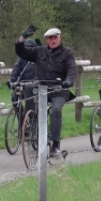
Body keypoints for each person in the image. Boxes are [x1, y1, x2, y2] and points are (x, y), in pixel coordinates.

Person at [15, 24, 77, 157]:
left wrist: (67, 82)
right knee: (29, 87)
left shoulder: (67, 53)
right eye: (49, 38)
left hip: (58, 90)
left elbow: (72, 70)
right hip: (41, 88)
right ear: (46, 40)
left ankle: (55, 145)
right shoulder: (39, 51)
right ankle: (31, 121)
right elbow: (21, 52)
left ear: (59, 38)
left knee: (55, 110)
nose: (52, 40)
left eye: (54, 37)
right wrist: (22, 37)